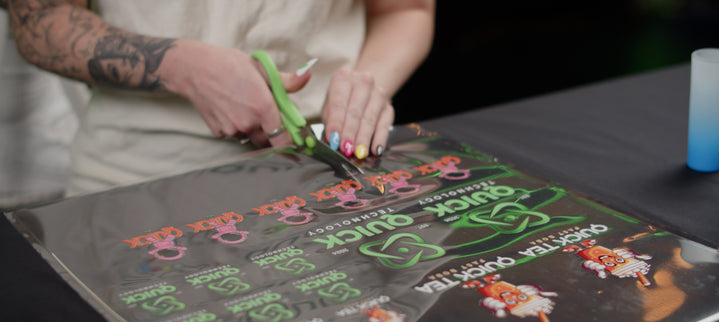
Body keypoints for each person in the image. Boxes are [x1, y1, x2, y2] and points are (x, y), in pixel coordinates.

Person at [8, 0, 435, 195]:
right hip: (139, 186)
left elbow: (405, 9)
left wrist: (366, 82)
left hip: (330, 178)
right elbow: (40, 22)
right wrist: (182, 67)